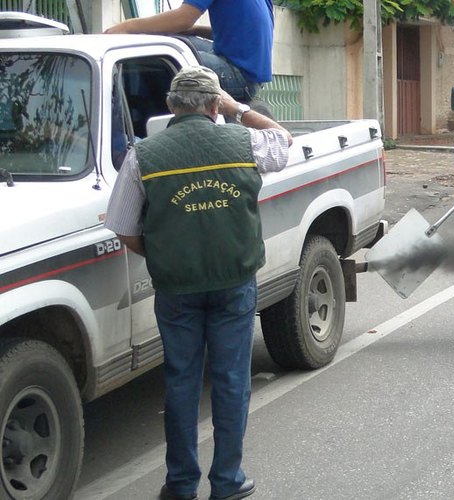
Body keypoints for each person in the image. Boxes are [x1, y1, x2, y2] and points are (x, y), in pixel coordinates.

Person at [104, 65, 292, 500]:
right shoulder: (244, 141)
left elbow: (123, 227)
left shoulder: (142, 155)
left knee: (182, 381)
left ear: (170, 107)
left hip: (177, 288)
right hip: (234, 283)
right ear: (214, 106)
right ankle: (227, 480)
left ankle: (181, 484)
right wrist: (239, 108)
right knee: (230, 380)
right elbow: (284, 140)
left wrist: (163, 254)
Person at [104, 0, 274, 103]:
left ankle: (138, 122)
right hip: (250, 74)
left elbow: (182, 19)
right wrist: (196, 30)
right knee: (176, 42)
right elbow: (244, 31)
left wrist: (126, 26)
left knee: (157, 57)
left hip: (238, 76)